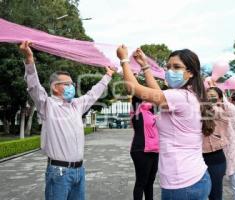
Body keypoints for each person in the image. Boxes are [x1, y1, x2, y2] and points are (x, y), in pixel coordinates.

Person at [20, 41, 115, 200]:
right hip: (59, 173)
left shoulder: (77, 105)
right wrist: (29, 60)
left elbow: (93, 94)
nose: (72, 87)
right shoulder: (48, 105)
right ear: (55, 87)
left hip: (79, 171)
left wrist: (108, 76)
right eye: (68, 84)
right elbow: (34, 87)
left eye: (72, 84)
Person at [117, 46, 212, 200]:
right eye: (168, 67)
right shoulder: (189, 95)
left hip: (182, 183)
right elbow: (160, 94)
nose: (170, 71)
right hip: (195, 177)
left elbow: (133, 87)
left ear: (191, 72)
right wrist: (145, 66)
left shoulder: (181, 97)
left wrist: (124, 60)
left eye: (177, 67)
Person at [130, 95, 159, 200]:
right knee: (141, 182)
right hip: (141, 150)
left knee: (150, 182)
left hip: (155, 150)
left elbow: (161, 97)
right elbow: (136, 97)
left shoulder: (152, 112)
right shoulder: (137, 110)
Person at [203, 87, 229, 200]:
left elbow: (215, 111)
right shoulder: (199, 112)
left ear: (219, 98)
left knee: (215, 193)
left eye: (213, 95)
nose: (209, 97)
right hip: (197, 158)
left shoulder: (222, 112)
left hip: (215, 158)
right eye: (207, 95)